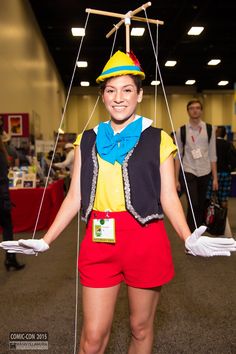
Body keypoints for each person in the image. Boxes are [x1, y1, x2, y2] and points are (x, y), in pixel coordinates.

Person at [1, 51, 236, 354]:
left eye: (127, 89)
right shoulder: (86, 140)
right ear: (102, 96)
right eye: (111, 90)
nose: (119, 97)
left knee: (140, 328)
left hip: (145, 239)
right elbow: (75, 196)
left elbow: (167, 194)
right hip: (99, 241)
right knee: (93, 337)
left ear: (139, 94)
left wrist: (186, 235)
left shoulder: (158, 139)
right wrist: (46, 240)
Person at [174, 99, 218, 232]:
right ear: (188, 111)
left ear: (201, 110)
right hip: (189, 170)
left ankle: (199, 229)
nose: (195, 110)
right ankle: (191, 232)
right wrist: (175, 179)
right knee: (193, 203)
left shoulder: (210, 129)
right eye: (192, 108)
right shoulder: (181, 131)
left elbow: (212, 154)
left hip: (205, 171)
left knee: (201, 204)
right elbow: (177, 156)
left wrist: (215, 178)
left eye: (198, 108)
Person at [0, 134, 25, 271]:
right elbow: (3, 181)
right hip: (1, 199)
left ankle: (11, 258)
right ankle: (10, 258)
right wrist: (6, 201)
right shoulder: (1, 156)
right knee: (7, 229)